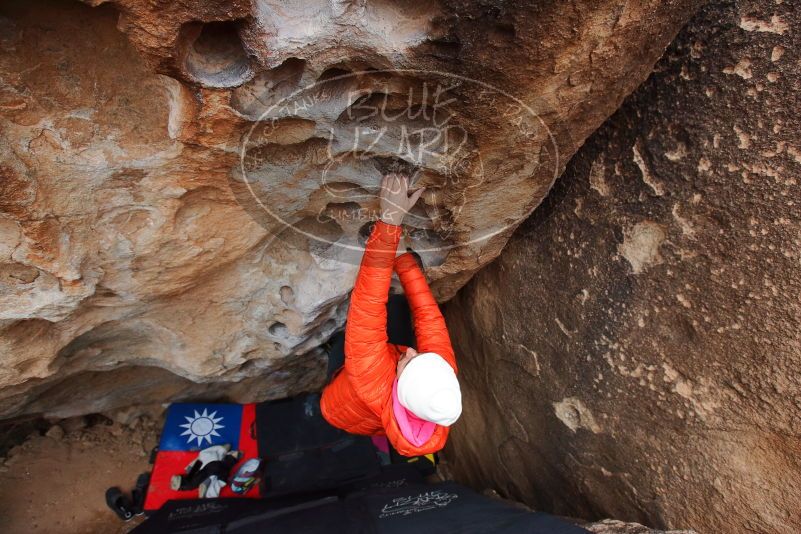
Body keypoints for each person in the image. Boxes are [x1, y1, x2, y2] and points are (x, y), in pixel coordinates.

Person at [320, 174, 462, 457]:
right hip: (378, 415)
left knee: (341, 345)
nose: (411, 351)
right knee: (399, 311)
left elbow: (368, 304)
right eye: (421, 356)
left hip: (340, 406)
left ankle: (329, 349)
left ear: (400, 386)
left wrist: (390, 223)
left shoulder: (371, 378)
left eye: (409, 362)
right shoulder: (439, 390)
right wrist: (405, 263)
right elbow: (428, 317)